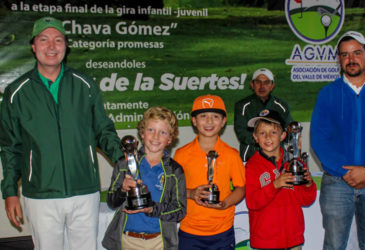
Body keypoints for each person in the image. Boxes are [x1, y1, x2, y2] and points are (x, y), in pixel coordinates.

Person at [0, 17, 123, 249]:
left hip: (84, 191)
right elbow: (10, 147)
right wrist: (9, 192)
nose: (51, 46)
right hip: (40, 194)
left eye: (58, 40)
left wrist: (124, 162)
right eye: (43, 40)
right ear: (33, 46)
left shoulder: (84, 85)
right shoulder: (16, 92)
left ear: (66, 47)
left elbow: (103, 131)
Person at [310, 31, 365, 250]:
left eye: (356, 53)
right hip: (337, 183)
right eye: (345, 54)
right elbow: (319, 139)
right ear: (339, 59)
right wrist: (347, 172)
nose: (351, 59)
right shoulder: (328, 94)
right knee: (334, 245)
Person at [102, 106, 186, 250]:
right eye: (151, 130)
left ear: (170, 139)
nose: (155, 136)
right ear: (142, 133)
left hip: (159, 241)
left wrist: (151, 208)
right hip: (127, 240)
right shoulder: (124, 164)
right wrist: (123, 189)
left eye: (163, 132)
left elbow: (180, 210)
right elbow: (111, 202)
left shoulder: (174, 170)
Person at [174, 95, 246, 250]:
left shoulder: (232, 154)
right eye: (203, 116)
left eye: (215, 116)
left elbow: (241, 188)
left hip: (222, 231)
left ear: (223, 121)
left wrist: (225, 203)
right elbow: (173, 188)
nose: (209, 121)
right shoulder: (181, 154)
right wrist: (191, 193)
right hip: (189, 231)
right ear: (194, 120)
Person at [245, 109, 316, 250]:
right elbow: (252, 202)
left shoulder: (295, 163)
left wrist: (308, 184)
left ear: (283, 135)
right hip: (265, 242)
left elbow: (306, 200)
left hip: (293, 239)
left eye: (273, 132)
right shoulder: (252, 166)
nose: (267, 137)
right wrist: (274, 185)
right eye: (262, 133)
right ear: (255, 137)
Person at [234, 68, 293, 162]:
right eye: (258, 82)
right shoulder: (242, 105)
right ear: (252, 85)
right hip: (250, 157)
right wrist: (262, 141)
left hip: (276, 157)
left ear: (272, 85)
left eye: (266, 82)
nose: (262, 86)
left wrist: (274, 141)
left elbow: (289, 131)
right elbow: (241, 132)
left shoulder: (282, 105)